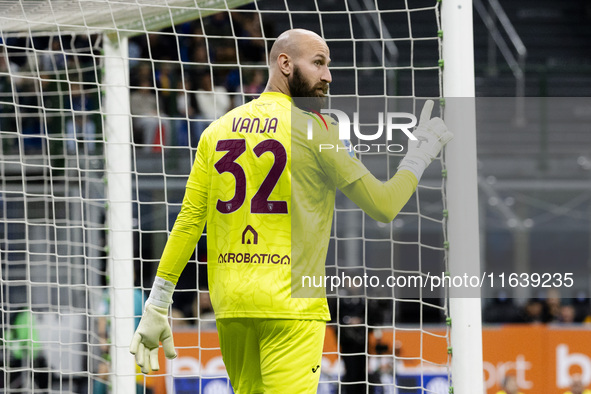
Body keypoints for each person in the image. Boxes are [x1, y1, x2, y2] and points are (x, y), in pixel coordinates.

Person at [130, 28, 453, 393]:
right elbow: (383, 206)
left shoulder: (216, 131)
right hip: (291, 308)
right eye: (318, 63)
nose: (328, 75)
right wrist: (420, 153)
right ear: (285, 63)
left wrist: (157, 303)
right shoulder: (317, 128)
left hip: (233, 306)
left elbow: (189, 222)